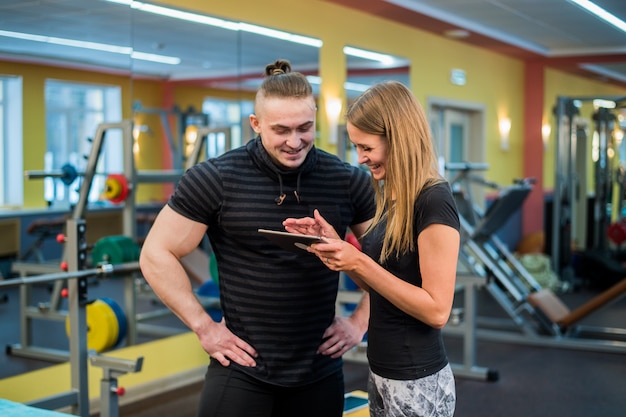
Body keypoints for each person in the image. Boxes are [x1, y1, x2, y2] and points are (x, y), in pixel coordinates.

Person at [139, 59, 376, 417]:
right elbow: (156, 253)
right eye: (281, 130)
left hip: (319, 370)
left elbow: (394, 258)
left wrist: (360, 322)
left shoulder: (347, 180)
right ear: (256, 124)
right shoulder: (216, 178)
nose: (295, 142)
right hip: (241, 369)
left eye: (305, 128)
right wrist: (204, 327)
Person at [284, 80, 460, 416]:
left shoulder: (433, 199)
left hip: (417, 377)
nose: (361, 158)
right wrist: (337, 248)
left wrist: (359, 262)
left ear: (397, 138)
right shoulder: (391, 196)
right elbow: (378, 284)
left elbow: (437, 310)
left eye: (366, 147)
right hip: (383, 370)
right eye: (356, 148)